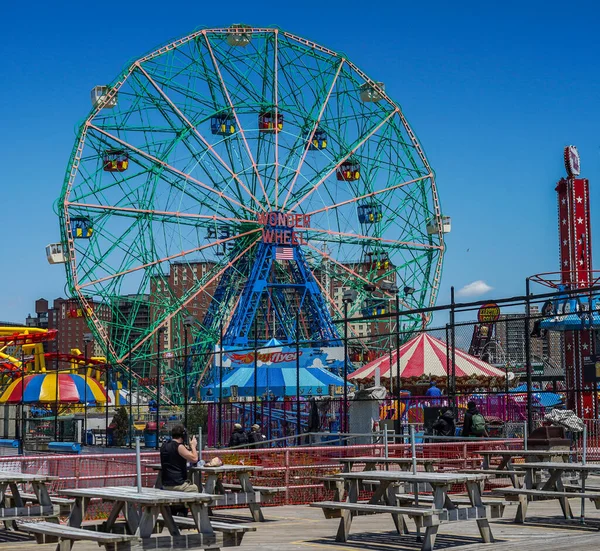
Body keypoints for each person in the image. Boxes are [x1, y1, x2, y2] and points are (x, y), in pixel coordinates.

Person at [160, 424, 199, 493]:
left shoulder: (164, 446)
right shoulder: (179, 447)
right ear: (183, 436)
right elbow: (195, 459)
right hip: (177, 485)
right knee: (194, 488)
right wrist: (193, 446)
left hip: (165, 484)